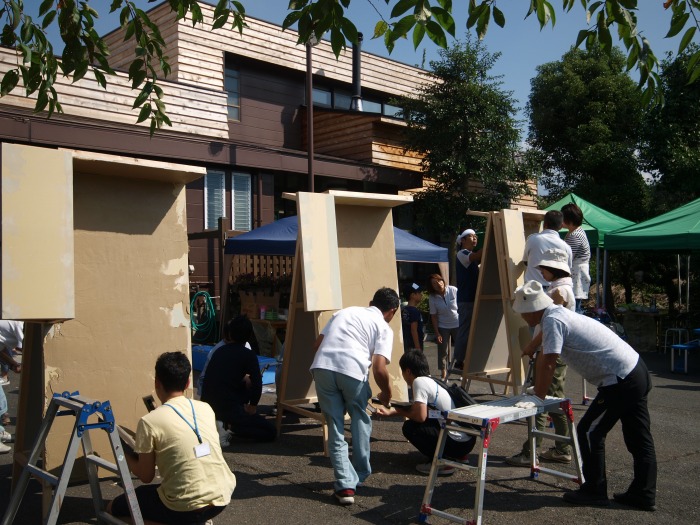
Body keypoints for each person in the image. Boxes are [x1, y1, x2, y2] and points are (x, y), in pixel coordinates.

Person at [512, 281, 657, 511]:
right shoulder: (556, 312)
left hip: (619, 381)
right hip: (635, 370)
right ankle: (643, 494)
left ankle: (595, 491)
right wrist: (532, 345)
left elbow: (548, 363)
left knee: (589, 432)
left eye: (522, 313)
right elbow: (548, 337)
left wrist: (538, 398)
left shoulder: (552, 320)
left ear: (532, 310)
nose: (522, 318)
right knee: (638, 437)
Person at [107, 351, 236, 524]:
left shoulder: (149, 421)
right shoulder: (205, 408)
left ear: (157, 382)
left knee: (112, 510)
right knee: (160, 493)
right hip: (222, 496)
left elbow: (145, 476)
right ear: (188, 382)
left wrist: (122, 454)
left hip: (184, 506)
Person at [310, 287, 400, 506]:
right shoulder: (384, 328)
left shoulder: (343, 312)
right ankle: (360, 474)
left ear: (371, 302)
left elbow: (317, 345)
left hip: (322, 366)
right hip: (352, 371)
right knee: (360, 419)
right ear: (393, 311)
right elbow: (379, 368)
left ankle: (345, 486)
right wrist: (387, 393)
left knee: (335, 426)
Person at [506, 248, 575, 467]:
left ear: (552, 269)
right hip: (550, 350)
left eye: (543, 269)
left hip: (551, 352)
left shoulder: (559, 292)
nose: (541, 274)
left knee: (541, 401)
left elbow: (550, 328)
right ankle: (561, 448)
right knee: (553, 401)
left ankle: (531, 451)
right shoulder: (559, 288)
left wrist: (532, 345)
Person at [375, 349, 476, 475]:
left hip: (456, 444)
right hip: (467, 442)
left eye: (403, 372)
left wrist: (399, 412)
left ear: (408, 371)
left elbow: (420, 416)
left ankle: (443, 463)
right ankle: (458, 457)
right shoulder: (433, 381)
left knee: (410, 427)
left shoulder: (419, 382)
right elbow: (425, 412)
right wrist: (392, 412)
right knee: (429, 421)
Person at [201, 316, 276, 442]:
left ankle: (225, 423)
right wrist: (252, 406)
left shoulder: (219, 350)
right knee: (270, 432)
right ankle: (232, 427)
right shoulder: (248, 354)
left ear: (230, 333)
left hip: (208, 406)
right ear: (250, 336)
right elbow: (257, 383)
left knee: (244, 384)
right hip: (229, 408)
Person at [453, 229, 481, 370]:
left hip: (473, 298)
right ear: (462, 241)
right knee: (465, 329)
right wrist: (491, 244)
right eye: (471, 236)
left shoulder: (471, 257)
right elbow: (476, 256)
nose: (474, 238)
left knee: (474, 330)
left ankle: (469, 357)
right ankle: (459, 360)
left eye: (476, 236)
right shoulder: (462, 253)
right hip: (466, 299)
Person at [522, 211, 572, 288]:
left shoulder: (532, 239)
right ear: (561, 226)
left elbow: (526, 262)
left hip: (531, 290)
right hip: (553, 290)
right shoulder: (566, 247)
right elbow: (566, 271)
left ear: (544, 224)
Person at [427, 274, 459, 381]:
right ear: (432, 286)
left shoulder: (453, 290)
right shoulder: (432, 297)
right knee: (442, 350)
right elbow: (434, 316)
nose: (438, 284)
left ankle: (463, 372)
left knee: (461, 348)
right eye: (434, 283)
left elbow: (461, 305)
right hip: (443, 325)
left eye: (439, 281)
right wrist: (437, 333)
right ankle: (443, 373)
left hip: (457, 323)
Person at [561, 203, 591, 312]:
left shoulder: (575, 235)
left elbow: (567, 257)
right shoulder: (575, 232)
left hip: (576, 276)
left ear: (569, 219)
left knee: (574, 309)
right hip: (577, 275)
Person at [0, 321, 23, 450]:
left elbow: (1, 349)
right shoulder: (21, 325)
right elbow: (27, 347)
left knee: (1, 402)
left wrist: (13, 364)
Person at [401, 283, 424, 352]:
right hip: (414, 345)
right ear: (413, 295)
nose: (421, 295)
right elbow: (414, 330)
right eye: (419, 293)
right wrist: (417, 347)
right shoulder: (414, 311)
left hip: (407, 344)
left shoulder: (405, 310)